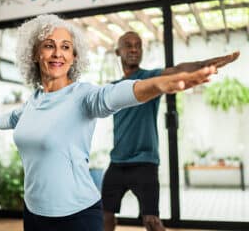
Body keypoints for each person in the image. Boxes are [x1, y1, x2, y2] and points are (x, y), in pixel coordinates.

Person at [102, 31, 239, 231]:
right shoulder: (113, 87)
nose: (133, 49)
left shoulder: (150, 78)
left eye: (138, 45)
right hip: (117, 162)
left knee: (151, 220)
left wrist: (205, 64)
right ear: (117, 51)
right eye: (128, 45)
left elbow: (178, 70)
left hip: (144, 162)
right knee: (105, 214)